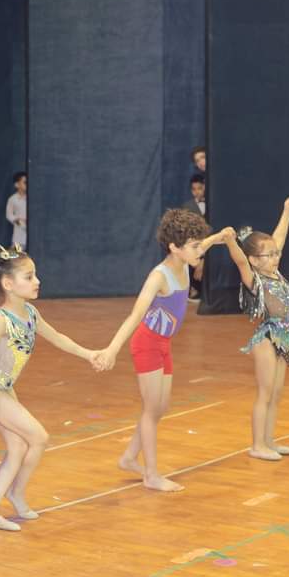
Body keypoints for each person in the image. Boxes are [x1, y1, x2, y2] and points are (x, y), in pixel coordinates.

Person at [0, 244, 101, 531]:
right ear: (8, 284)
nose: (37, 281)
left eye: (35, 275)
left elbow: (57, 337)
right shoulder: (0, 321)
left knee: (17, 446)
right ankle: (15, 493)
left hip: (5, 388)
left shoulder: (31, 313)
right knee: (38, 437)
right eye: (29, 276)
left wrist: (89, 354)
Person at [95, 210, 232, 490]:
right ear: (174, 247)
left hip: (163, 344)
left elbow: (204, 244)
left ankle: (129, 458)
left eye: (199, 244)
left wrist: (221, 236)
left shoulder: (186, 258)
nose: (200, 250)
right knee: (151, 410)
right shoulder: (158, 277)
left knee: (160, 407)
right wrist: (111, 349)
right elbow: (135, 316)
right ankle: (151, 475)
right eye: (194, 246)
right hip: (146, 344)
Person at [223, 199, 289, 461]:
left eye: (276, 254)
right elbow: (240, 261)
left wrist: (287, 212)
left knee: (276, 394)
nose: (275, 257)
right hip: (267, 338)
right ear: (254, 260)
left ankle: (269, 441)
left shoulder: (275, 272)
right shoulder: (255, 278)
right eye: (269, 255)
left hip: (285, 337)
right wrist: (230, 241)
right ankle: (257, 445)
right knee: (265, 392)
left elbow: (278, 238)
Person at [6, 171, 28, 250]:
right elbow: (9, 215)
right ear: (17, 184)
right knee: (15, 256)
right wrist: (18, 220)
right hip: (19, 237)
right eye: (25, 182)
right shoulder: (12, 199)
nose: (27, 184)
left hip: (34, 237)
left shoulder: (33, 198)